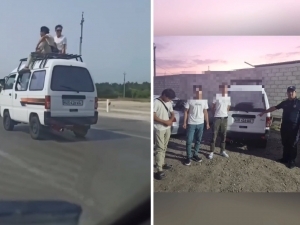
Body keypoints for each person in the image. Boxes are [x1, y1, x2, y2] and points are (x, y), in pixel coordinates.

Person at [259, 86, 300, 169]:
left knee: (293, 144)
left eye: (292, 92)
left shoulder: (299, 102)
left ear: (295, 92)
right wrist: (264, 112)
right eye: (289, 92)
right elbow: (274, 108)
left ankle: (292, 161)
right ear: (287, 93)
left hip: (295, 128)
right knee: (285, 143)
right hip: (285, 126)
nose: (290, 93)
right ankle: (285, 158)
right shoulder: (285, 102)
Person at [154, 89, 176, 180]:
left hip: (167, 128)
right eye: (169, 98)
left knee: (165, 147)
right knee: (159, 148)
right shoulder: (156, 102)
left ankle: (162, 163)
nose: (170, 100)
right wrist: (164, 122)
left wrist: (170, 121)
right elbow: (153, 116)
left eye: (171, 99)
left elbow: (172, 113)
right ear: (164, 95)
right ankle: (159, 170)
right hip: (159, 128)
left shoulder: (169, 102)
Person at [183, 92, 210, 166]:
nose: (199, 95)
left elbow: (205, 112)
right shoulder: (190, 100)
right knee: (189, 140)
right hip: (191, 123)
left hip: (201, 124)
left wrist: (207, 123)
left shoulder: (204, 101)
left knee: (198, 140)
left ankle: (195, 154)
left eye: (200, 93)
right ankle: (188, 157)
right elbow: (186, 111)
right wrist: (184, 122)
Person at [209, 84, 231, 159]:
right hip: (217, 118)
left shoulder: (228, 97)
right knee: (214, 136)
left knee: (224, 136)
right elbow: (212, 107)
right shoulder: (216, 96)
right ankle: (211, 152)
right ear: (220, 88)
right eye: (224, 88)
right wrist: (216, 114)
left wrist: (225, 113)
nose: (225, 89)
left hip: (224, 119)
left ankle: (222, 151)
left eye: (226, 88)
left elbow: (228, 107)